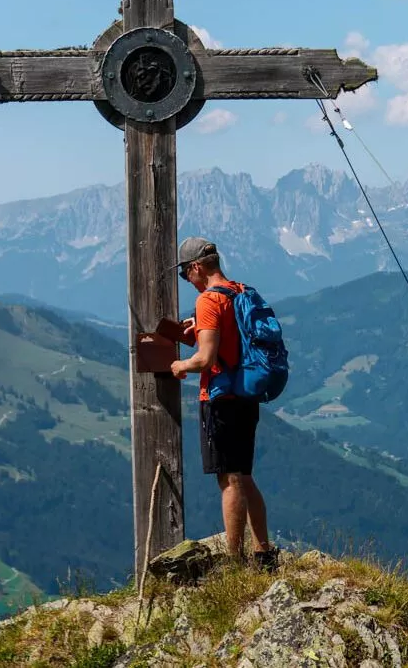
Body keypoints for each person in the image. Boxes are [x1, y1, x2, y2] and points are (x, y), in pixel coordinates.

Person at [169, 236, 277, 569]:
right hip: (247, 395)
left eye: (185, 273)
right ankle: (263, 552)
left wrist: (179, 366)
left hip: (220, 399)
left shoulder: (208, 301)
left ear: (197, 267)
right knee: (244, 475)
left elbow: (205, 359)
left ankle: (234, 561)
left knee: (228, 480)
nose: (187, 280)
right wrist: (199, 327)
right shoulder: (240, 291)